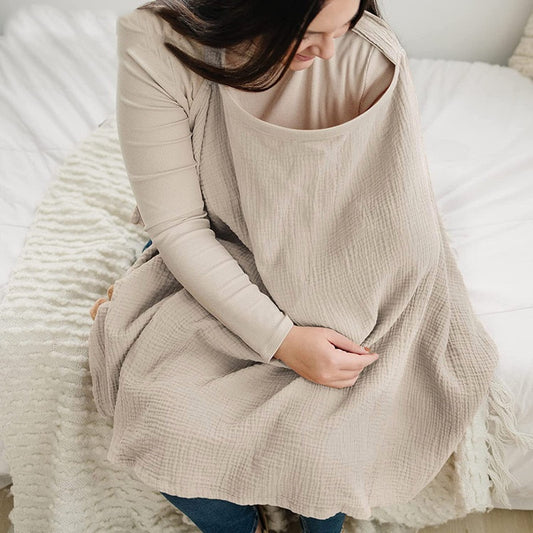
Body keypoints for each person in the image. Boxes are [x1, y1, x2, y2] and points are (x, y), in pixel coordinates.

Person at [87, 0, 499, 529]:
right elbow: (180, 228)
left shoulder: (365, 55)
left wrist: (326, 330)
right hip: (227, 244)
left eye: (341, 29)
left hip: (347, 258)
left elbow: (391, 226)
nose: (327, 50)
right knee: (159, 415)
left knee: (337, 435)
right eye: (309, 33)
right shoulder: (159, 41)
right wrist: (282, 339)